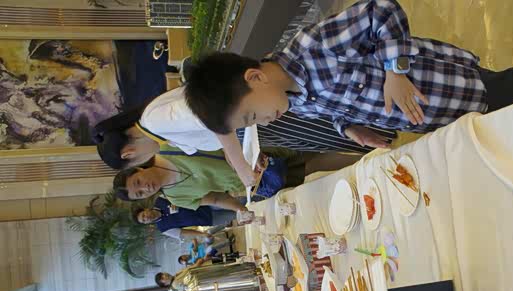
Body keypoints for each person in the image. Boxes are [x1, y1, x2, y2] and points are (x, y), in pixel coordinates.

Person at [184, 0, 513, 151]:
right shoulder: (292, 98)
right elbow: (334, 110)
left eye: (252, 117)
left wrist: (395, 72)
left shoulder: (314, 47)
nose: (264, 122)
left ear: (254, 79)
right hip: (428, 115)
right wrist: (349, 128)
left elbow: (382, 10)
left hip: (448, 85)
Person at [94, 87, 395, 172]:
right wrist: (241, 155)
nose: (146, 160)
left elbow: (213, 114)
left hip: (265, 117)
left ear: (129, 153)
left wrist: (239, 164)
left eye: (138, 162)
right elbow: (216, 132)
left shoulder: (154, 122)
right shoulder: (156, 128)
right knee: (339, 134)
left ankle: (398, 119)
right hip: (261, 125)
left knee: (340, 127)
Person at [112, 145, 248, 212]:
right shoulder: (176, 198)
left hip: (247, 153)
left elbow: (209, 135)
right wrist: (241, 210)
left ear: (138, 169)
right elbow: (216, 199)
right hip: (248, 183)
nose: (145, 188)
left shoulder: (166, 148)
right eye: (140, 193)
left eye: (138, 182)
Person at [133, 197, 234, 240]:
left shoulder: (159, 200)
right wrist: (202, 234)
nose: (146, 218)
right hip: (207, 218)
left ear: (146, 209)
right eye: (144, 220)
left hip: (207, 202)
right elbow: (183, 233)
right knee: (235, 215)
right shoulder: (163, 228)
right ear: (146, 223)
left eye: (143, 215)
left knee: (238, 202)